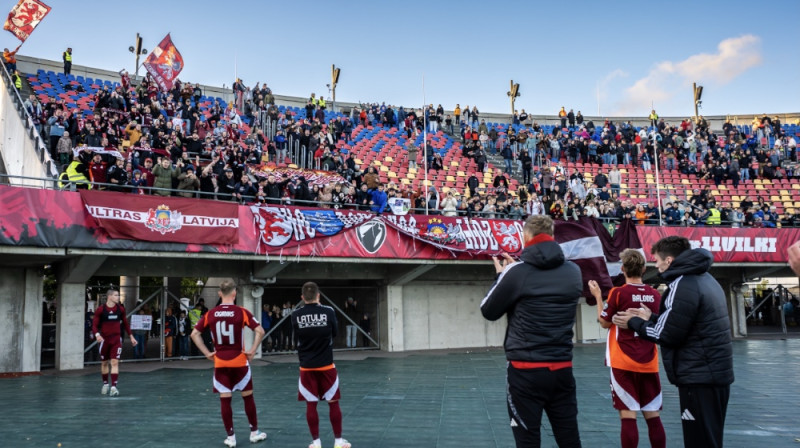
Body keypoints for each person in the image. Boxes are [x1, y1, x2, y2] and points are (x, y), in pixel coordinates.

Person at [613, 236, 734, 448]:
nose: (655, 264)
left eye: (657, 260)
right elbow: (684, 324)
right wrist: (650, 317)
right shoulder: (706, 279)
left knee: (698, 440)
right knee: (711, 439)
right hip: (714, 372)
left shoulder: (682, 284)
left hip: (698, 376)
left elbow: (666, 335)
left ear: (669, 260)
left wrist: (633, 322)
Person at [480, 215, 582, 447]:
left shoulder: (516, 273)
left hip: (525, 371)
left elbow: (488, 310)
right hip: (562, 368)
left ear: (525, 237)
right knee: (570, 439)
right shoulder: (574, 272)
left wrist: (501, 276)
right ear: (553, 236)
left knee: (527, 441)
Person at [589, 250, 666, 448]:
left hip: (623, 360)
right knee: (653, 415)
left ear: (622, 269)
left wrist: (598, 296)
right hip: (649, 362)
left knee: (628, 415)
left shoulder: (618, 293)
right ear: (643, 269)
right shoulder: (654, 294)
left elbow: (604, 322)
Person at [191, 279, 267, 447]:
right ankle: (254, 432)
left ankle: (231, 437)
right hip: (240, 362)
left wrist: (207, 353)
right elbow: (260, 330)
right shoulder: (241, 312)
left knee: (225, 399)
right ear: (235, 293)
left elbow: (194, 334)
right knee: (248, 397)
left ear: (219, 293)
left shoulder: (210, 313)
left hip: (220, 363)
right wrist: (253, 350)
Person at [292, 282, 351, 448]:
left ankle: (316, 442)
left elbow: (296, 336)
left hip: (306, 366)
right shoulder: (328, 311)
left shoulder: (296, 315)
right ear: (318, 295)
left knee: (311, 404)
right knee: (333, 402)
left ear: (302, 298)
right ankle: (338, 441)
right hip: (326, 365)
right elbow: (335, 332)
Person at [92, 289, 137, 397]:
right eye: (116, 295)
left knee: (115, 362)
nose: (118, 297)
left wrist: (131, 336)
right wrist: (97, 335)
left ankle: (113, 387)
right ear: (110, 297)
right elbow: (94, 325)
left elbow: (125, 324)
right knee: (104, 363)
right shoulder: (100, 310)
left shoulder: (120, 309)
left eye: (118, 295)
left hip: (116, 339)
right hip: (104, 340)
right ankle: (105, 384)